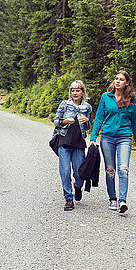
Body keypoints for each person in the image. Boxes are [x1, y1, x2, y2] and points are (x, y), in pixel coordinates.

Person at [90, 70, 136, 213]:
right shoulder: (106, 97)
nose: (117, 81)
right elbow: (99, 118)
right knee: (110, 170)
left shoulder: (132, 98)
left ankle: (122, 200)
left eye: (121, 79)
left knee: (123, 169)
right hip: (107, 137)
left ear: (127, 83)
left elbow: (134, 121)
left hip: (124, 137)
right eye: (116, 79)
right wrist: (93, 137)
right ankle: (112, 198)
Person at [53, 80, 93, 211]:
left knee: (79, 174)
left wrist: (86, 121)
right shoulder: (64, 105)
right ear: (70, 92)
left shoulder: (87, 107)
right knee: (65, 172)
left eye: (78, 90)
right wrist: (65, 121)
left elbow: (88, 127)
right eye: (73, 90)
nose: (75, 93)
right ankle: (68, 198)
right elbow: (56, 121)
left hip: (79, 143)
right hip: (63, 141)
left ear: (82, 92)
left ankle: (77, 187)